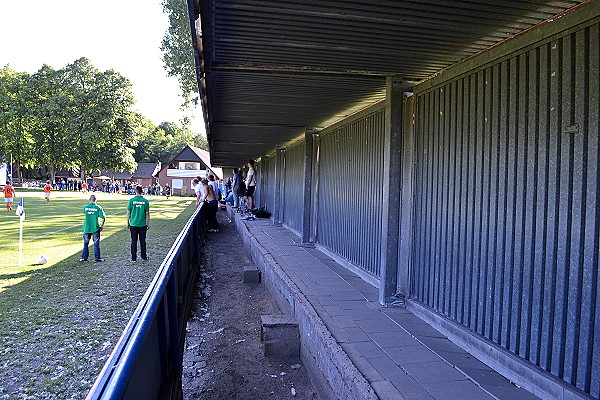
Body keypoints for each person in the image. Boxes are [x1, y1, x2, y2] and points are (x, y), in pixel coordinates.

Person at [127, 185, 150, 262]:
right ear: (142, 191)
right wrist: (148, 223)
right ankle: (144, 257)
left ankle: (133, 258)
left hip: (133, 224)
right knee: (142, 241)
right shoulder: (145, 201)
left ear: (135, 191)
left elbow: (128, 213)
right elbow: (147, 213)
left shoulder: (131, 200)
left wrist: (128, 222)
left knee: (134, 241)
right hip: (142, 224)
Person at [80, 195, 106, 262]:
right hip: (95, 227)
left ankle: (84, 257)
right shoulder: (98, 207)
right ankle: (97, 257)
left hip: (87, 227)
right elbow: (103, 217)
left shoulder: (85, 207)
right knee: (96, 243)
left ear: (89, 199)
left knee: (86, 243)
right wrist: (101, 225)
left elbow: (86, 214)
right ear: (96, 200)